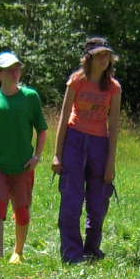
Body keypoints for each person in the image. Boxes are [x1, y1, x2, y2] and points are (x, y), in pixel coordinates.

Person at [0, 50, 47, 264]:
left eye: (17, 69)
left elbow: (42, 130)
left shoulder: (30, 97)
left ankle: (18, 252)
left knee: (22, 209)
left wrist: (37, 157)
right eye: (9, 70)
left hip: (23, 164)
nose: (15, 73)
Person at [54, 37, 122, 263]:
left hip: (99, 144)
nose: (104, 60)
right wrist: (57, 154)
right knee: (72, 199)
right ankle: (72, 253)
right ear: (89, 58)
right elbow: (64, 117)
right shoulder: (76, 81)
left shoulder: (113, 87)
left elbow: (113, 125)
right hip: (74, 140)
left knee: (98, 201)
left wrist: (111, 162)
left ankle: (92, 249)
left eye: (107, 55)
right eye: (99, 55)